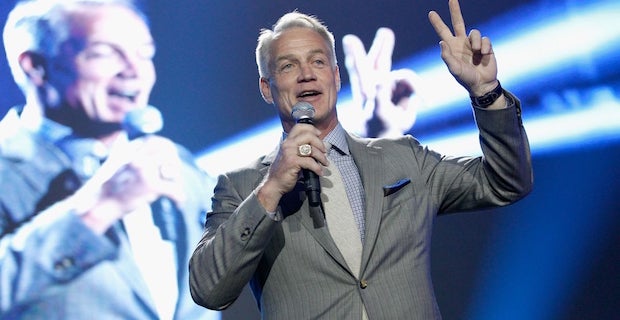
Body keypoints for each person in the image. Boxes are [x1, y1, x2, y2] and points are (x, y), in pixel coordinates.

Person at [189, 0, 533, 319]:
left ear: (337, 77)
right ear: (267, 87)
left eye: (318, 61)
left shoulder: (404, 158)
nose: (307, 74)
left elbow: (506, 183)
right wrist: (271, 189)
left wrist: (486, 93)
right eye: (288, 65)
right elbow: (208, 290)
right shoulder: (242, 187)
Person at [0, 0, 218, 319]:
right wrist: (100, 206)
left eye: (144, 53)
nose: (134, 71)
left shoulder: (177, 164)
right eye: (103, 52)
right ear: (34, 66)